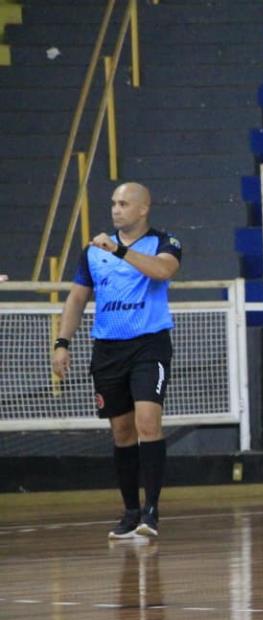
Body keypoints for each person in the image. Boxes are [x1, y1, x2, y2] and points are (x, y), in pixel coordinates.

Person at [51, 182, 181, 541]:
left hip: (148, 345)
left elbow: (163, 271)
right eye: (113, 203)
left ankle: (151, 512)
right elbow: (77, 300)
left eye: (124, 204)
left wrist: (121, 252)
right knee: (122, 431)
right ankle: (130, 512)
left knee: (147, 421)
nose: (115, 209)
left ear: (143, 209)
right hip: (108, 349)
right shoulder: (93, 252)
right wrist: (62, 342)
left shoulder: (164, 242)